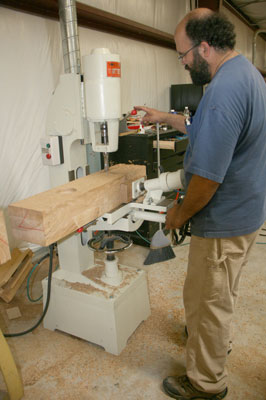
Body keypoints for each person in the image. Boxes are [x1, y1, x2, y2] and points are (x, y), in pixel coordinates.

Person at [135, 7, 266, 400]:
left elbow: (207, 179)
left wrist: (177, 214)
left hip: (224, 219)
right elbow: (206, 127)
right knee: (217, 293)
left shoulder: (224, 90)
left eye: (182, 54)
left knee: (209, 299)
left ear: (204, 47)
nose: (183, 63)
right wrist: (166, 117)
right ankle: (210, 337)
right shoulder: (244, 74)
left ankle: (207, 383)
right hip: (246, 212)